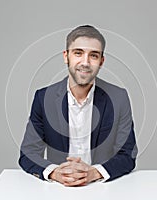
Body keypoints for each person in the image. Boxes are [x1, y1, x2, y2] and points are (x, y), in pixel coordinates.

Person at [19, 25, 138, 186]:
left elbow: (127, 155)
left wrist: (94, 173)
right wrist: (56, 173)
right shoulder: (43, 98)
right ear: (66, 56)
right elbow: (28, 153)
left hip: (102, 188)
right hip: (58, 189)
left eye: (94, 55)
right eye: (78, 53)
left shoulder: (119, 97)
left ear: (101, 61)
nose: (85, 62)